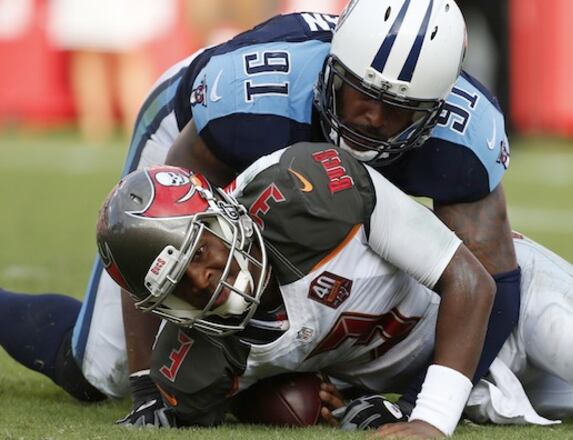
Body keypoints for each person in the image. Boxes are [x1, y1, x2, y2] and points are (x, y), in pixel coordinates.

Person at [0, 0, 519, 427]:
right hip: (193, 130)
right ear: (332, 66)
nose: (371, 117)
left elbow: (495, 283)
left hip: (307, 181)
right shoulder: (245, 104)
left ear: (438, 103)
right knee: (98, 370)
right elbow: (156, 237)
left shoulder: (464, 137)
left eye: (398, 108)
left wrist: (418, 406)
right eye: (358, 92)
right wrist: (146, 384)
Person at [96, 155, 573, 436]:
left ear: (225, 212)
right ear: (159, 311)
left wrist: (426, 419)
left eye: (203, 253)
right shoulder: (194, 362)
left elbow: (469, 278)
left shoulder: (313, 195)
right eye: (179, 286)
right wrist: (286, 399)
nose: (207, 280)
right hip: (456, 373)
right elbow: (227, 395)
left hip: (504, 305)